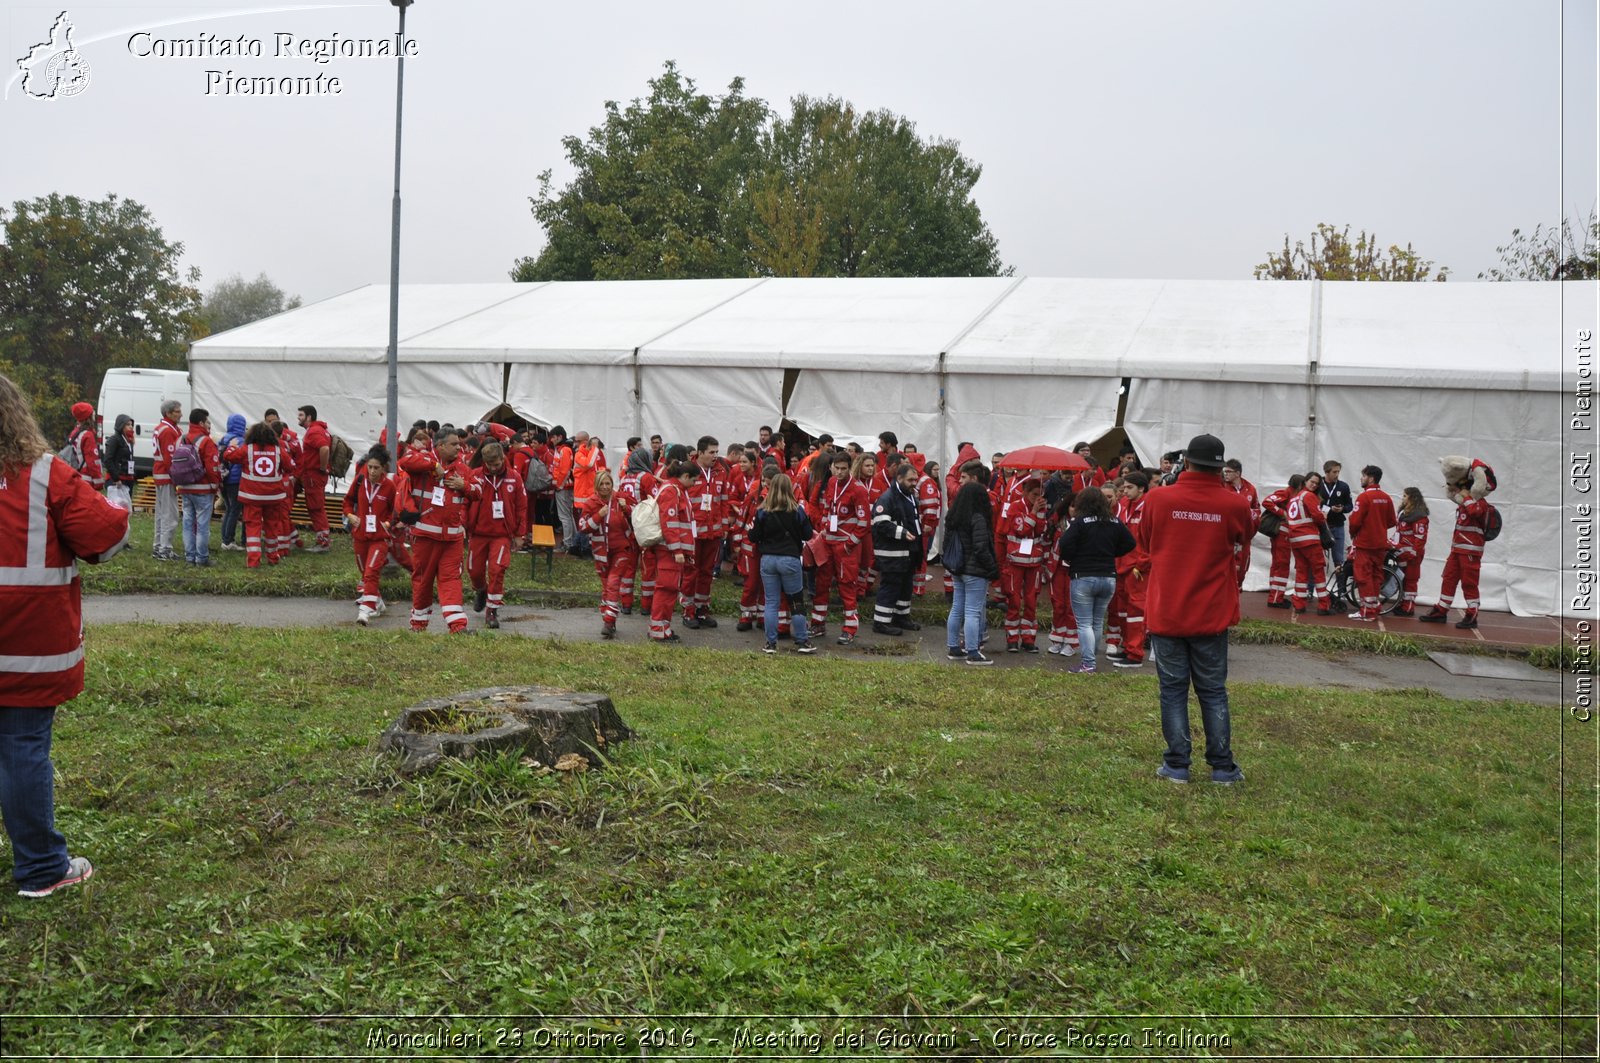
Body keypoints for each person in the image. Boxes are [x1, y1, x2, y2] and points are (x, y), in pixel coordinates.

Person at [0, 371, 130, 897]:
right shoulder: (43, 474)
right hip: (28, 636)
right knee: (23, 745)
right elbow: (102, 535)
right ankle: (39, 868)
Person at [1138, 433, 1252, 785]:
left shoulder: (1157, 498)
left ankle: (1176, 765)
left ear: (1185, 463)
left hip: (1167, 609)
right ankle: (1222, 767)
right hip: (1211, 612)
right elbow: (1245, 536)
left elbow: (1144, 541)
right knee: (1213, 690)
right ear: (1220, 466)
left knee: (1172, 690)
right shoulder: (1234, 503)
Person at [399, 428, 477, 633]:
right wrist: (433, 466)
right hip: (425, 537)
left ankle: (457, 626)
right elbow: (404, 462)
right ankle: (418, 623)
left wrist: (465, 486)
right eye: (454, 445)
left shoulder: (462, 469)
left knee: (451, 579)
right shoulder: (422, 461)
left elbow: (479, 492)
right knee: (423, 580)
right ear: (440, 446)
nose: (459, 448)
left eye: (460, 445)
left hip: (452, 539)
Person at [1057, 485, 1135, 674]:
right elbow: (1130, 543)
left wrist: (1072, 557)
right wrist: (1111, 553)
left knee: (1084, 623)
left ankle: (1088, 663)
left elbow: (1064, 544)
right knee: (1097, 621)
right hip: (1108, 576)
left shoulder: (1080, 522)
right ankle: (1091, 660)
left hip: (1083, 576)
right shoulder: (1114, 521)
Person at [750, 474, 816, 653]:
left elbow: (754, 536)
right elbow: (808, 535)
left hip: (768, 559)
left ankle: (770, 643)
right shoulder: (797, 510)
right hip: (790, 559)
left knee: (771, 602)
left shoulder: (762, 511)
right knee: (795, 602)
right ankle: (802, 640)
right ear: (789, 488)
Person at [811, 450, 870, 645]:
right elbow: (827, 510)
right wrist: (823, 532)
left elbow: (864, 523)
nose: (840, 472)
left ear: (850, 468)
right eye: (837, 468)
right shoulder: (831, 484)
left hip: (845, 548)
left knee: (847, 587)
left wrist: (849, 545)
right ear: (831, 467)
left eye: (844, 469)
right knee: (821, 584)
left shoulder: (858, 490)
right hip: (828, 543)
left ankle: (849, 628)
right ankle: (818, 624)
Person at [466, 440, 527, 631]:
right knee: (474, 571)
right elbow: (465, 502)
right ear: (484, 461)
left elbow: (522, 507)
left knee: (497, 569)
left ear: (503, 459)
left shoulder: (514, 478)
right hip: (478, 533)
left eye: (497, 464)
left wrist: (520, 534)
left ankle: (492, 611)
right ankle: (481, 591)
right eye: (490, 465)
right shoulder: (475, 476)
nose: (493, 468)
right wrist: (462, 526)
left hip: (502, 534)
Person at [1419, 483, 1494, 630]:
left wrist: (1466, 496)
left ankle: (1472, 614)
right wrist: (1453, 490)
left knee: (1469, 583)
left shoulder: (1480, 503)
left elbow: (1474, 512)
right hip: (1457, 550)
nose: (1460, 492)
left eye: (1462, 488)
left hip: (1470, 551)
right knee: (1449, 578)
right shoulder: (1465, 503)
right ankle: (1441, 610)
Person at [943, 480, 1001, 665]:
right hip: (975, 570)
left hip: (957, 568)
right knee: (973, 612)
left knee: (957, 607)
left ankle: (953, 647)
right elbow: (981, 547)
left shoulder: (953, 517)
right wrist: (992, 568)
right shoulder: (978, 518)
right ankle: (973, 652)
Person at [223, 422, 291, 569]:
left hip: (252, 497)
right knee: (272, 526)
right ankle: (273, 557)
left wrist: (232, 445)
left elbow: (229, 456)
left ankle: (253, 561)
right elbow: (291, 466)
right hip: (273, 497)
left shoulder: (247, 449)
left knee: (253, 527)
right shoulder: (279, 451)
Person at [344, 448, 399, 625]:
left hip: (379, 538)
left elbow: (395, 510)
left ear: (384, 468)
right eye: (370, 467)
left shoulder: (389, 486)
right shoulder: (360, 480)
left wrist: (389, 523)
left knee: (371, 572)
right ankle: (378, 602)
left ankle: (365, 611)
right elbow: (347, 501)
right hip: (360, 536)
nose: (372, 471)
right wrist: (350, 515)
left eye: (376, 468)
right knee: (364, 571)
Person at [580, 469, 636, 639]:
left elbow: (638, 519)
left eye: (608, 484)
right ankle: (609, 618)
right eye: (602, 484)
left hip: (622, 550)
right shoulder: (591, 503)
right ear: (597, 486)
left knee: (613, 583)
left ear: (612, 485)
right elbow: (583, 527)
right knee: (607, 588)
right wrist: (598, 516)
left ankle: (609, 620)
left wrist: (627, 508)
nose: (605, 487)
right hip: (601, 552)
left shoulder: (620, 499)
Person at [870, 460, 923, 636]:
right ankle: (881, 622)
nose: (914, 483)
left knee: (906, 586)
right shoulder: (887, 498)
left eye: (916, 480)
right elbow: (880, 523)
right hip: (892, 552)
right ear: (899, 478)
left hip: (908, 552)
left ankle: (902, 617)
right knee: (890, 586)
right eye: (910, 480)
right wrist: (901, 532)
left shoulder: (910, 497)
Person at [1105, 471, 1150, 668]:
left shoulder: (1148, 507)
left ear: (1141, 488)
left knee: (1136, 612)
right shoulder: (1123, 504)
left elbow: (1151, 541)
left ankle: (1135, 654)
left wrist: (1141, 565)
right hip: (1121, 565)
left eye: (1130, 487)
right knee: (1122, 611)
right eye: (1124, 488)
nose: (1125, 491)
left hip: (1138, 569)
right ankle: (1127, 648)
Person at [649, 461, 697, 643]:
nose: (693, 484)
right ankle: (659, 630)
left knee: (669, 588)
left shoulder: (676, 489)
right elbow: (670, 522)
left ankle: (661, 627)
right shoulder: (672, 491)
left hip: (672, 550)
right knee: (667, 588)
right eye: (693, 481)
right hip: (669, 551)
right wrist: (677, 549)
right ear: (685, 477)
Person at [999, 475, 1047, 652]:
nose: (1038, 497)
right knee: (1014, 601)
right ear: (1025, 492)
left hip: (1034, 562)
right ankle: (1012, 638)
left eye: (1040, 494)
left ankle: (1028, 639)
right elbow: (1021, 530)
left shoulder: (1041, 506)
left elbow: (1042, 530)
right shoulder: (1015, 507)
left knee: (1031, 602)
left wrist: (1038, 513)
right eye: (1035, 494)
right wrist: (1034, 512)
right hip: (1016, 561)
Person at [682, 436, 726, 629]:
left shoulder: (721, 472)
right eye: (711, 452)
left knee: (707, 573)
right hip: (693, 533)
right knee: (691, 572)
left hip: (713, 533)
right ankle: (688, 610)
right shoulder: (688, 471)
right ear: (700, 453)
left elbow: (724, 501)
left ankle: (702, 608)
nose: (715, 456)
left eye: (717, 452)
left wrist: (723, 527)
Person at [1346, 465, 1397, 621]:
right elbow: (1391, 521)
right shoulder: (1386, 497)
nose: (1361, 478)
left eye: (1363, 476)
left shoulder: (1364, 497)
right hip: (1380, 544)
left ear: (1371, 478)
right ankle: (1374, 607)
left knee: (1363, 577)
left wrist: (1356, 533)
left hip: (1365, 544)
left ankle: (1366, 612)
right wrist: (1378, 527)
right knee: (1376, 576)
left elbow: (1354, 521)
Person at [176, 409, 222, 566]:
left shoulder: (181, 438)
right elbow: (212, 467)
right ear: (201, 423)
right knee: (202, 525)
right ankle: (202, 558)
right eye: (208, 422)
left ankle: (189, 557)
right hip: (202, 488)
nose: (209, 425)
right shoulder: (206, 441)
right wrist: (215, 485)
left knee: (187, 523)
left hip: (184, 487)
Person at [618, 445, 658, 615]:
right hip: (644, 529)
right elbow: (655, 501)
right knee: (648, 568)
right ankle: (646, 605)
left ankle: (626, 604)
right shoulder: (647, 478)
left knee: (628, 568)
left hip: (627, 527)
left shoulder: (624, 478)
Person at [1284, 472, 1331, 614]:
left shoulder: (1294, 498)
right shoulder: (1309, 496)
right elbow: (1317, 517)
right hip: (1309, 539)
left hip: (1295, 540)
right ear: (1305, 481)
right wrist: (1323, 517)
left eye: (1316, 483)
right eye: (1312, 482)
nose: (1314, 485)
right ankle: (1324, 605)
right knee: (1318, 572)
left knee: (1301, 572)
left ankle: (1299, 604)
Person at [296, 405, 333, 553]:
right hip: (314, 476)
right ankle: (322, 539)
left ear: (309, 416)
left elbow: (324, 448)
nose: (298, 418)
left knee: (316, 508)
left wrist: (322, 468)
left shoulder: (314, 431)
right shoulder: (320, 430)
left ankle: (323, 543)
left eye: (300, 415)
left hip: (314, 476)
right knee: (315, 507)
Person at [150, 398, 183, 560]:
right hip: (167, 475)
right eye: (177, 411)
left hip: (159, 474)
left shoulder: (160, 428)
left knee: (161, 513)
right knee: (170, 514)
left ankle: (158, 546)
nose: (181, 414)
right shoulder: (169, 431)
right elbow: (171, 458)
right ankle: (165, 549)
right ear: (168, 413)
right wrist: (177, 478)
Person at [1221, 458, 1261, 588]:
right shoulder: (1222, 487)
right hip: (1227, 537)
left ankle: (1237, 594)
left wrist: (1249, 532)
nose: (1225, 474)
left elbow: (1256, 511)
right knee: (1225, 569)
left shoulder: (1250, 489)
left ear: (1237, 473)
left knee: (1241, 570)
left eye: (1228, 471)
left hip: (1244, 538)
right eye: (1224, 471)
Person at [1392, 487, 1430, 617]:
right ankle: (1403, 602)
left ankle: (1408, 607)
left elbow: (1420, 538)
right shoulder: (1404, 513)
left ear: (1412, 498)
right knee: (1403, 579)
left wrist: (1414, 553)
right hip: (1402, 553)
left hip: (1412, 555)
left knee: (1411, 580)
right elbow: (1399, 532)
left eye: (1405, 496)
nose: (1402, 498)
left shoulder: (1419, 517)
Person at [217, 413, 248, 550]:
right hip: (236, 480)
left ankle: (225, 539)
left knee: (229, 509)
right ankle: (229, 541)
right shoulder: (240, 441)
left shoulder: (223, 438)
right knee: (235, 510)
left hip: (224, 478)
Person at [1318, 460, 1353, 567]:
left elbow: (1350, 506)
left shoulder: (1343, 486)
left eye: (1338, 472)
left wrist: (1342, 509)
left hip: (1337, 526)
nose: (1337, 474)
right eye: (1334, 472)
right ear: (1326, 472)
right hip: (1321, 526)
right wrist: (1329, 508)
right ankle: (1311, 584)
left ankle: (1340, 584)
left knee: (1339, 559)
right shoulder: (1318, 485)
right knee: (1317, 558)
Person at [65, 402, 104, 492]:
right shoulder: (88, 435)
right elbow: (93, 462)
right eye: (92, 413)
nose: (94, 415)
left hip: (76, 477)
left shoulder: (74, 432)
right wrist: (99, 482)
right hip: (87, 481)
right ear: (88, 417)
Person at [103, 414, 138, 511]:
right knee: (117, 510)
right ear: (121, 425)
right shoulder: (114, 439)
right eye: (127, 424)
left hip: (127, 479)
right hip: (116, 481)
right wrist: (116, 478)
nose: (130, 426)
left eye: (131, 424)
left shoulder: (129, 440)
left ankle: (125, 526)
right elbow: (107, 460)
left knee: (126, 510)